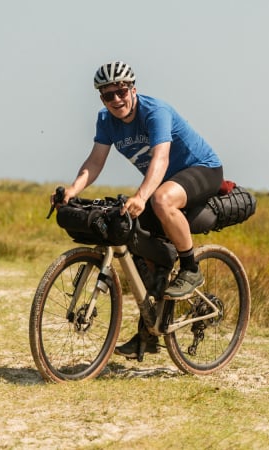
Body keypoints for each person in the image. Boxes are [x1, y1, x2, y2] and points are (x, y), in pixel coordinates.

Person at [58, 61, 223, 357]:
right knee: (135, 243)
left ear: (133, 89)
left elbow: (160, 159)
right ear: (101, 99)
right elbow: (95, 162)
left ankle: (190, 268)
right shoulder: (106, 120)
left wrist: (142, 195)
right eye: (108, 95)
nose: (116, 100)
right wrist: (72, 190)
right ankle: (148, 332)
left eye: (121, 91)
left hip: (201, 170)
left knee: (161, 200)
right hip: (164, 181)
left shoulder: (154, 112)